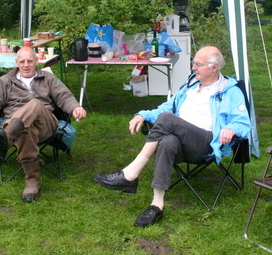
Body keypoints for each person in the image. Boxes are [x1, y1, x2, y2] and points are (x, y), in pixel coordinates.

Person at [94, 46, 250, 227]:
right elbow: (166, 108)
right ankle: (156, 205)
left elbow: (243, 124)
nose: (193, 68)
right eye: (194, 63)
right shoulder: (190, 85)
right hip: (180, 142)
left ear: (214, 67)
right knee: (167, 141)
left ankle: (130, 174)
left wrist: (231, 129)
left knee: (168, 120)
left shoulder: (231, 91)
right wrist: (142, 115)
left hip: (205, 144)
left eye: (198, 65)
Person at [0, 46, 87, 202]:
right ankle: (32, 183)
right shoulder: (5, 82)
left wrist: (75, 107)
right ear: (16, 63)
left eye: (30, 61)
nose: (26, 65)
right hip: (18, 127)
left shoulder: (48, 78)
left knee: (35, 104)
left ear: (37, 61)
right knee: (24, 129)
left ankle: (6, 139)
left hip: (45, 124)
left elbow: (64, 96)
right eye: (22, 61)